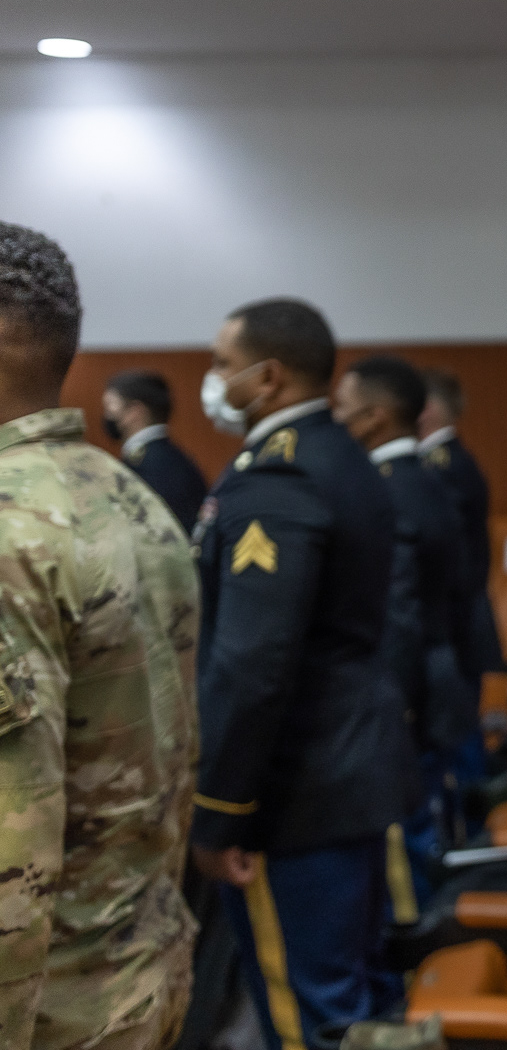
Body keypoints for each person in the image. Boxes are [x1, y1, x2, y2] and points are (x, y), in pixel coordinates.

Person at [189, 298, 415, 1049]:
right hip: (347, 770)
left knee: (304, 1022)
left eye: (223, 364)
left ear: (269, 377)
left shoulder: (277, 476)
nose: (213, 380)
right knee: (352, 1006)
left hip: (293, 794)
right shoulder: (340, 455)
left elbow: (252, 663)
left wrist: (220, 812)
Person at [0, 222, 199, 1050]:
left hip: (50, 1008)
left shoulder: (8, 530)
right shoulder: (126, 494)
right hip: (136, 967)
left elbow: (10, 842)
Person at [333, 354, 475, 909]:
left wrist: (391, 701)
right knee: (426, 814)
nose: (336, 418)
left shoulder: (389, 492)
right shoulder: (421, 478)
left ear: (376, 416)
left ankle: (418, 934)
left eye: (343, 407)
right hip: (435, 669)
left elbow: (399, 612)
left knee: (406, 830)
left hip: (409, 683)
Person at [418, 370, 499, 675]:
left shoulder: (440, 467)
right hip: (460, 614)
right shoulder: (450, 459)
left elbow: (449, 553)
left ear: (426, 409)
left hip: (456, 622)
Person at [102, 369, 209, 532]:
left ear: (135, 412)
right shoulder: (175, 457)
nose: (106, 415)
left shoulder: (143, 467)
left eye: (110, 407)